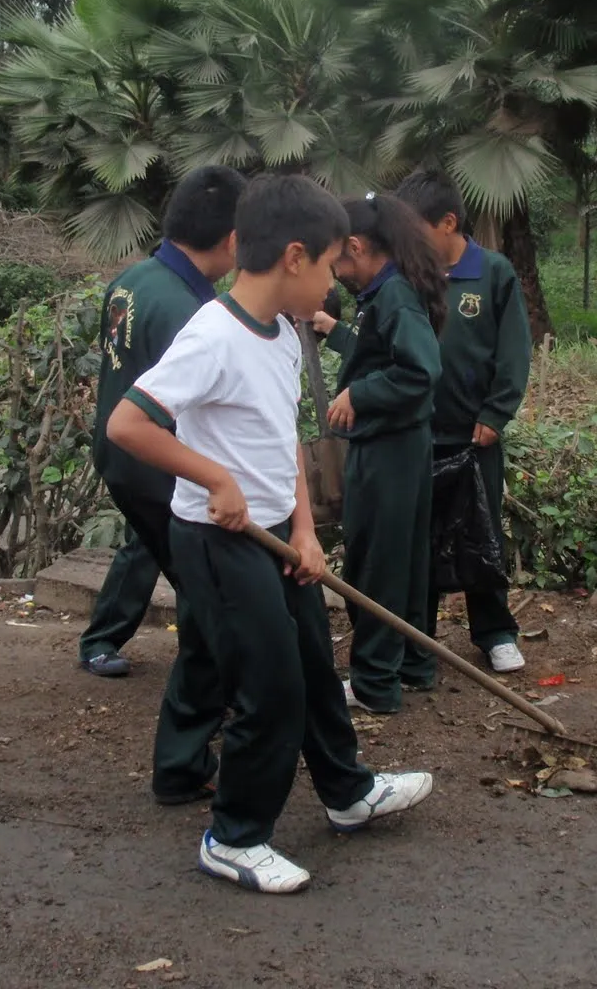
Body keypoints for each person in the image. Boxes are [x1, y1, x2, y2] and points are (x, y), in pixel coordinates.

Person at [107, 173, 434, 894]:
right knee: (271, 688)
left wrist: (308, 529)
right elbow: (127, 424)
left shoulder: (283, 334)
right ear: (293, 257)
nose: (332, 283)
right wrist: (213, 480)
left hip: (278, 534)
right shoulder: (212, 336)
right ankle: (234, 836)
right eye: (326, 266)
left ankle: (347, 792)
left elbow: (280, 435)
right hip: (221, 544)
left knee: (316, 669)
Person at [80, 165, 244, 696]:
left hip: (119, 455)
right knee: (203, 576)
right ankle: (214, 683)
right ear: (232, 239)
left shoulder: (132, 279)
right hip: (158, 462)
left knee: (146, 543)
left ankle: (101, 639)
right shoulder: (188, 311)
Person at [393, 168, 533, 673]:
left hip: (476, 436)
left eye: (417, 229)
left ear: (448, 222)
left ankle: (495, 632)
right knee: (421, 536)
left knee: (482, 532)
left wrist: (497, 412)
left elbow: (515, 351)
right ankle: (420, 634)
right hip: (418, 434)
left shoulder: (493, 273)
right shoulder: (410, 276)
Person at [311, 195, 445, 713]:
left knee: (377, 563)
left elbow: (418, 370)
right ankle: (413, 664)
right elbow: (380, 350)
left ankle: (373, 683)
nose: (336, 273)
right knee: (405, 560)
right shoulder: (384, 294)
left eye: (335, 261)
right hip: (401, 446)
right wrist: (337, 333)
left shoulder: (393, 296)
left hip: (388, 448)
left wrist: (358, 395)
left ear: (356, 247)